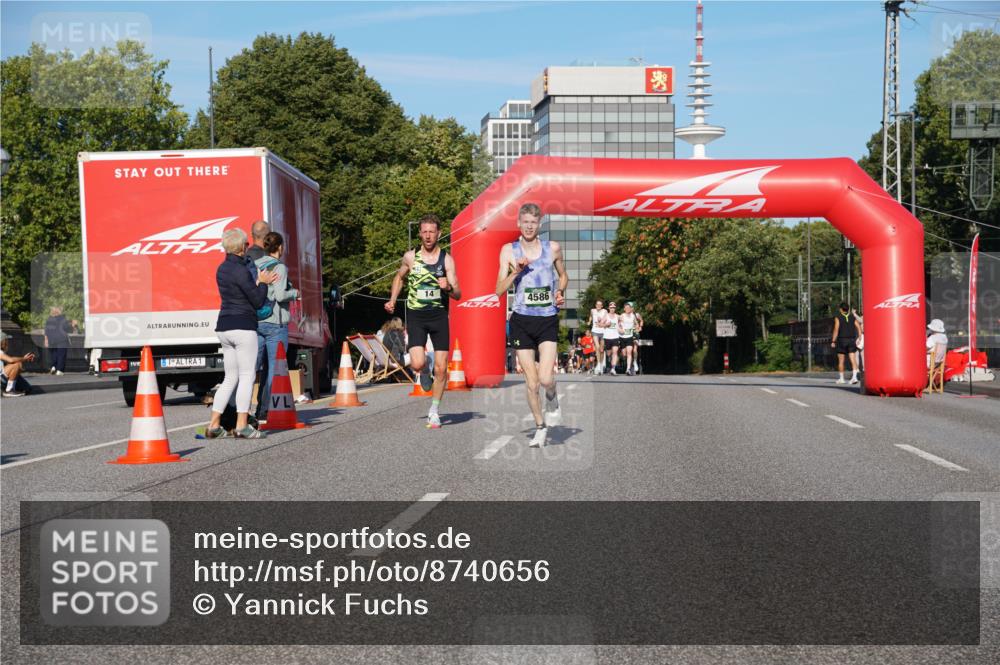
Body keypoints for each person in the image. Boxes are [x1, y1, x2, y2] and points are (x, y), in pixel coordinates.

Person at [496, 202, 569, 448]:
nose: (529, 226)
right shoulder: (509, 251)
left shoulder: (553, 249)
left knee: (546, 378)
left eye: (533, 222)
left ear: (539, 225)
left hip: (547, 318)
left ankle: (552, 398)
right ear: (519, 223)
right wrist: (516, 272)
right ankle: (540, 426)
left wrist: (559, 291)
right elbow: (498, 290)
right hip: (521, 319)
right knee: (531, 382)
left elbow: (563, 275)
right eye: (525, 221)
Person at [385, 214, 461, 429]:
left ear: (438, 233)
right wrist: (392, 300)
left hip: (438, 316)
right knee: (417, 363)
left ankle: (434, 411)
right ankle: (424, 370)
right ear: (420, 233)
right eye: (424, 231)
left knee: (442, 369)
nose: (428, 236)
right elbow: (399, 277)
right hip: (417, 316)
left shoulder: (446, 259)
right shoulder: (410, 257)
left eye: (432, 232)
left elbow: (458, 294)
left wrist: (447, 288)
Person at [206, 227, 278, 439]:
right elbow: (256, 300)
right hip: (243, 326)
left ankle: (213, 425)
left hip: (224, 326)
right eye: (246, 244)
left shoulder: (222, 269)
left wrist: (255, 285)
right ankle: (242, 425)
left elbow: (239, 293)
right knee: (247, 376)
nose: (248, 247)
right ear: (241, 247)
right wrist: (263, 284)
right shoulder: (241, 270)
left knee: (230, 378)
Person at [254, 231, 299, 423]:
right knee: (274, 368)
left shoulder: (257, 265)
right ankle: (265, 409)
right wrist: (295, 292)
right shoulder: (280, 267)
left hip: (257, 322)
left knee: (255, 368)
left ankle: (247, 409)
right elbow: (280, 296)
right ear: (280, 247)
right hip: (275, 322)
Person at [830, 302, 862, 384]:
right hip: (851, 340)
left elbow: (836, 329)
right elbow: (858, 327)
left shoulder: (838, 317)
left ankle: (841, 379)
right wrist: (859, 336)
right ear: (847, 309)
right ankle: (854, 378)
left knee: (841, 360)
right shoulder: (852, 316)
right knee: (853, 359)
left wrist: (833, 341)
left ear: (841, 309)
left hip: (842, 340)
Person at [44, 306, 77, 375]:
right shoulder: (62, 318)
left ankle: (53, 366)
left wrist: (46, 340)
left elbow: (46, 330)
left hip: (52, 339)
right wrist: (73, 325)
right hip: (61, 339)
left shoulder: (49, 319)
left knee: (54, 354)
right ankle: (59, 370)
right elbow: (66, 328)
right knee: (61, 355)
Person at [618, 302, 639, 376]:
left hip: (629, 337)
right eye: (626, 308)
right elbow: (618, 324)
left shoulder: (633, 316)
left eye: (628, 308)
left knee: (629, 352)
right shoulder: (622, 316)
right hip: (622, 337)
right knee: (624, 354)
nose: (627, 309)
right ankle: (629, 363)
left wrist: (637, 327)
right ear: (624, 309)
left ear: (630, 309)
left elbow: (636, 323)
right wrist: (620, 329)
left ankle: (628, 369)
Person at [589, 300, 608, 374]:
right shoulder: (592, 310)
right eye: (597, 304)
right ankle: (599, 365)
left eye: (600, 305)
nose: (598, 306)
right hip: (595, 331)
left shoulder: (605, 311)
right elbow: (590, 317)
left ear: (602, 306)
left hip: (603, 331)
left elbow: (606, 319)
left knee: (601, 349)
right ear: (595, 305)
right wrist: (589, 321)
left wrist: (602, 321)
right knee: (597, 347)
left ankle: (602, 364)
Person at [603, 302, 621, 375]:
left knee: (615, 352)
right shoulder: (606, 316)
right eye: (611, 308)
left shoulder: (618, 316)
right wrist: (606, 324)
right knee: (609, 353)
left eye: (613, 307)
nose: (612, 309)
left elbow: (621, 324)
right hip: (607, 337)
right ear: (609, 308)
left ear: (615, 308)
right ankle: (609, 360)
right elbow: (600, 324)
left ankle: (613, 368)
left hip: (615, 337)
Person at [629, 303, 644, 374]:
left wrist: (640, 327)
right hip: (628, 333)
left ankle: (635, 362)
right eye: (630, 307)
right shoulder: (625, 315)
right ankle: (629, 364)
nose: (631, 309)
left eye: (632, 307)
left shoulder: (636, 314)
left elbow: (641, 321)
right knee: (628, 350)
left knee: (634, 349)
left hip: (635, 333)